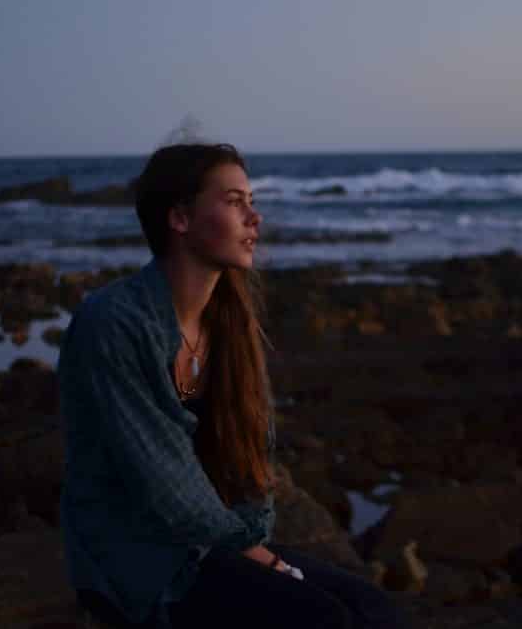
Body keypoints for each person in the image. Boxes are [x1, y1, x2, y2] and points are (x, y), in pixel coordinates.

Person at [57, 142, 413, 628]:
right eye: (234, 201)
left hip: (212, 546)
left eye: (251, 200)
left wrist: (256, 542)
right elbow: (165, 481)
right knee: (322, 620)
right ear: (180, 218)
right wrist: (264, 561)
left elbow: (251, 456)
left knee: (376, 611)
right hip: (140, 558)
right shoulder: (113, 324)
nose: (255, 218)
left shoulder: (229, 324)